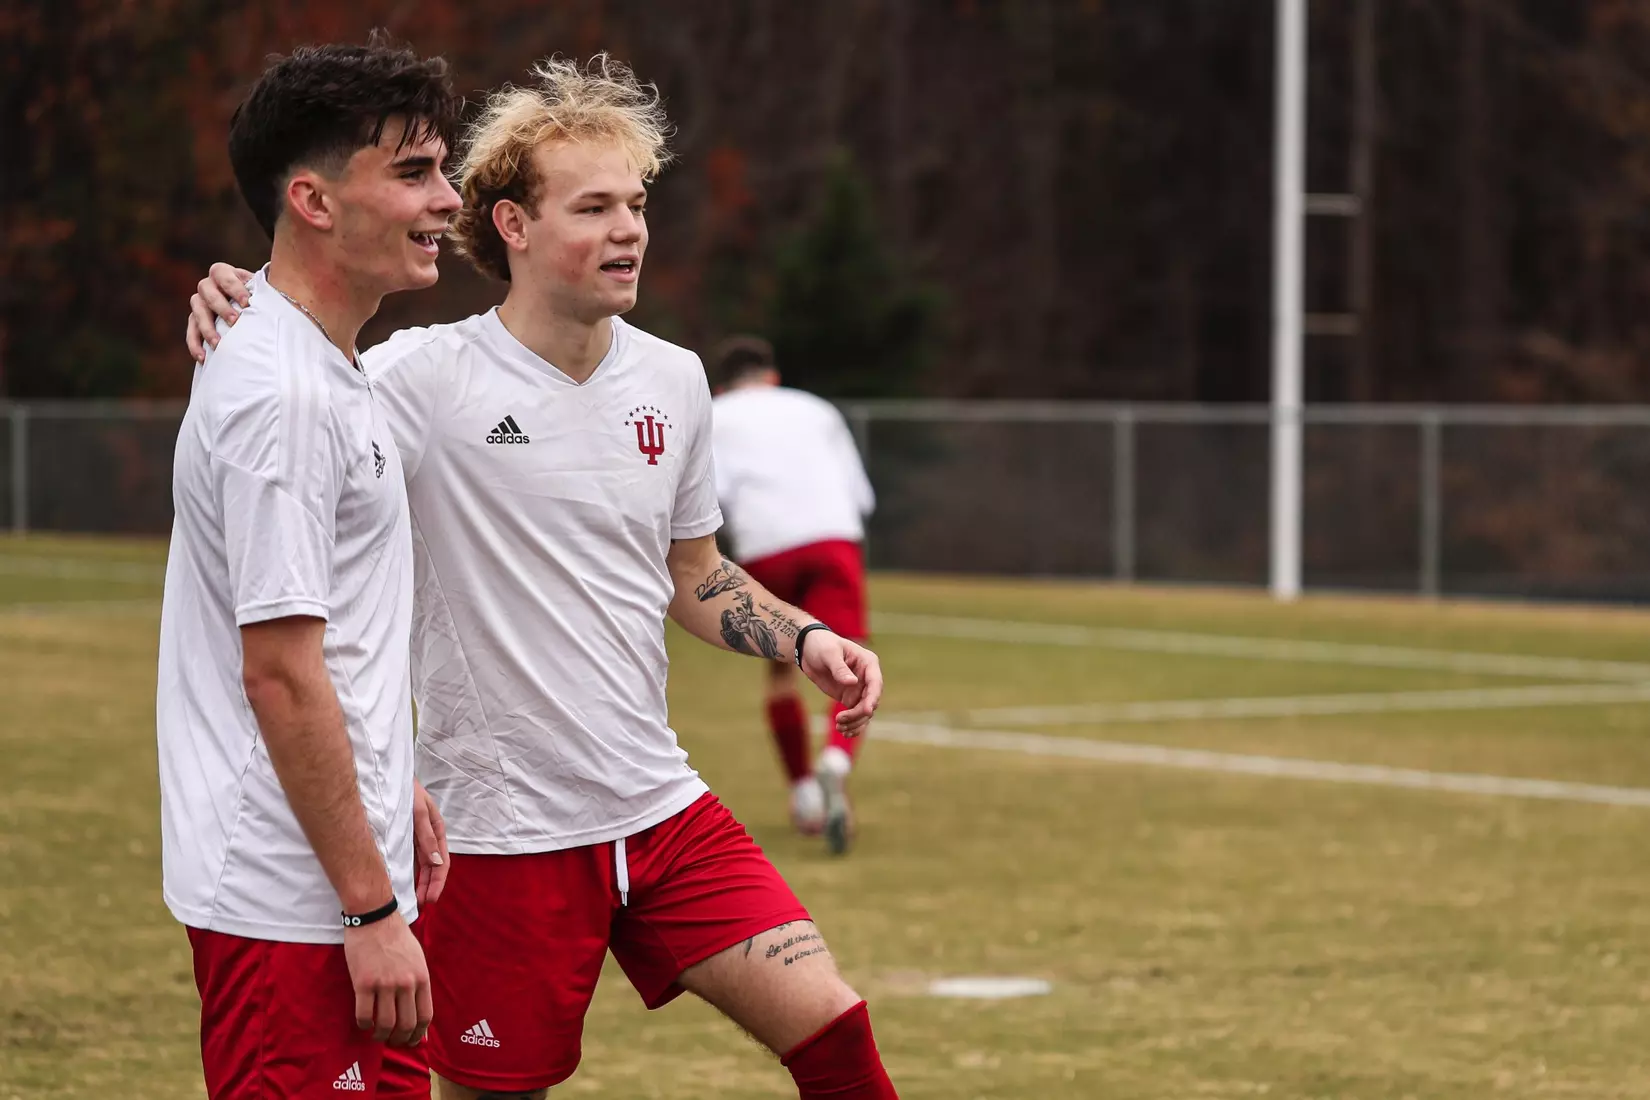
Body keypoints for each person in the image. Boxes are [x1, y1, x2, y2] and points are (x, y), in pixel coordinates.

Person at [186, 55, 899, 1100]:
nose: (629, 230)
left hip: (660, 809)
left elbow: (691, 572)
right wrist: (230, 299)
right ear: (512, 225)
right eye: (595, 205)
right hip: (499, 835)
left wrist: (803, 638)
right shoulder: (420, 379)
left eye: (639, 203)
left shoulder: (676, 378)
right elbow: (293, 397)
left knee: (833, 1027)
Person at [158, 40, 458, 1099]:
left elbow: (337, 641)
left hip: (339, 881)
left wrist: (388, 780)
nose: (448, 200)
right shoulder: (281, 394)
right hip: (293, 902)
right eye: (415, 171)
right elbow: (278, 672)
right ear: (314, 200)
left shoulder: (330, 367)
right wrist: (369, 910)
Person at [709, 336, 877, 855]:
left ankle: (804, 790)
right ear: (773, 377)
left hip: (766, 545)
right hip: (832, 538)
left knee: (783, 666)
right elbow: (861, 495)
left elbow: (711, 495)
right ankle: (837, 762)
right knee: (849, 659)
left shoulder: (713, 415)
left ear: (724, 385)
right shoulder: (817, 409)